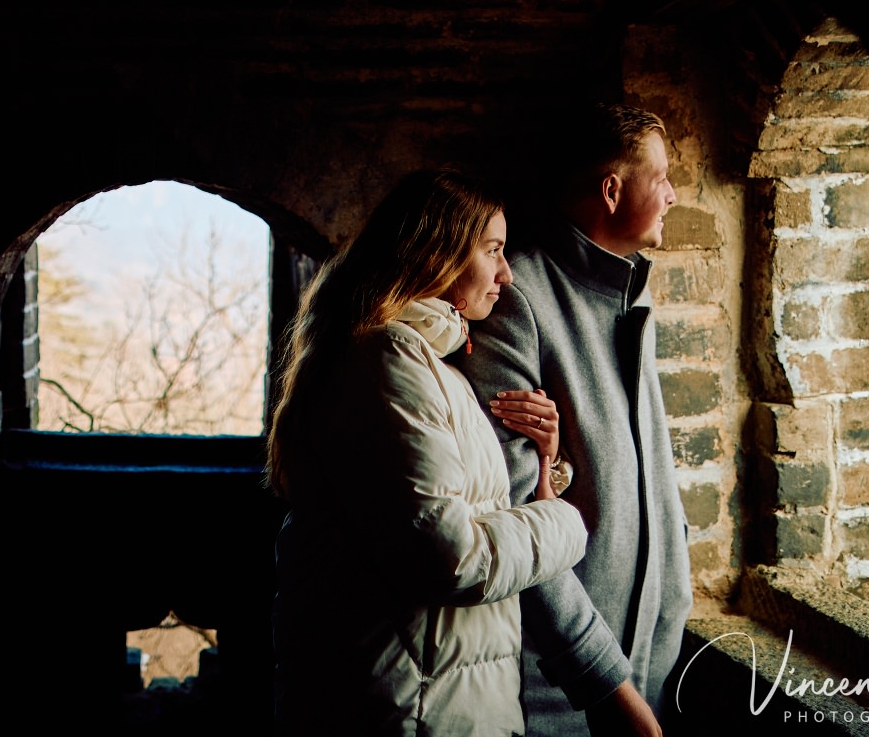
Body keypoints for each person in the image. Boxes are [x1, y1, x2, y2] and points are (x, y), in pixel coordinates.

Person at [266, 167, 589, 736]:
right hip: (405, 713)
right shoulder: (386, 360)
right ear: (437, 252)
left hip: (434, 705)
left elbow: (456, 508)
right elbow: (450, 557)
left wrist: (547, 467)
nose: (506, 275)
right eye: (492, 250)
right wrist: (565, 523)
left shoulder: (428, 365)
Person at [456, 103, 693, 737]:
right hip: (565, 697)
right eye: (662, 177)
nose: (673, 194)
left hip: (649, 678)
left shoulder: (630, 293)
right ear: (612, 191)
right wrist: (603, 686)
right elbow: (509, 522)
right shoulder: (520, 299)